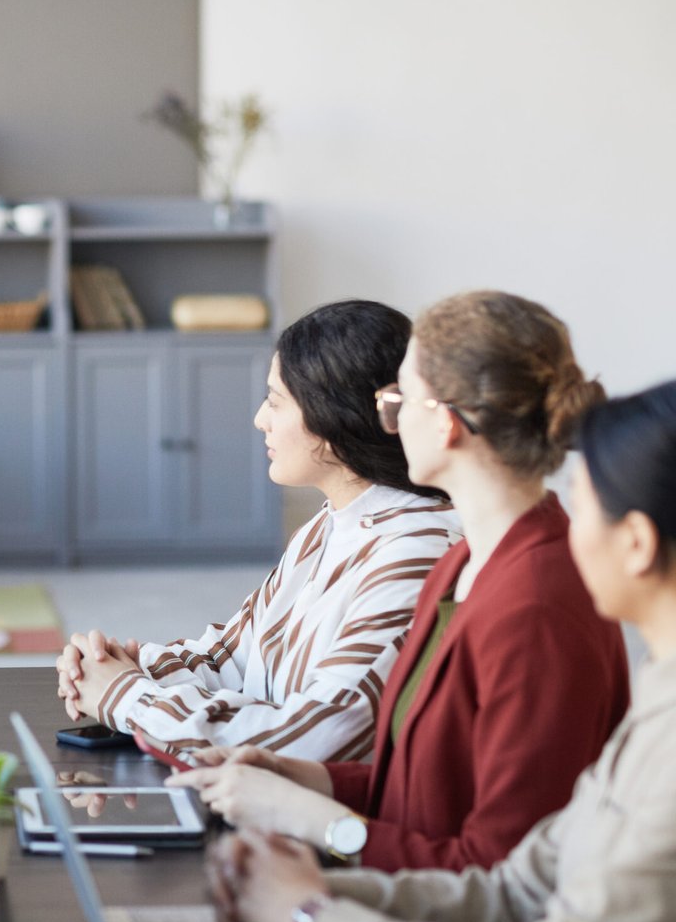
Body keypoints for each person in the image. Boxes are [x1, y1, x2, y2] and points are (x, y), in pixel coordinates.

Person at [210, 378, 676, 922]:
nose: (570, 527)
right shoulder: (659, 692)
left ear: (638, 544)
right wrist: (310, 892)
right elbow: (515, 888)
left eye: (586, 503)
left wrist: (314, 915)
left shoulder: (538, 604)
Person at [170, 291, 629, 872]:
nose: (384, 419)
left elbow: (497, 873)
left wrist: (314, 822)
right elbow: (423, 790)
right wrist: (298, 776)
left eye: (397, 399)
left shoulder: (535, 607)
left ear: (445, 424)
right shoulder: (462, 564)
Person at [57, 300, 462, 760]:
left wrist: (126, 697)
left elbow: (314, 739)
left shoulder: (417, 551)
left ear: (332, 417)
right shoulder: (329, 525)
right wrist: (120, 668)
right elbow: (231, 658)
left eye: (274, 401)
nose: (259, 419)